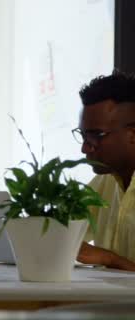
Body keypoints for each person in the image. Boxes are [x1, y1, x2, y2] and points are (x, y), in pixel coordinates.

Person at [74, 70, 135, 271]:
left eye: (96, 135)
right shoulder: (105, 180)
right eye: (83, 135)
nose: (85, 148)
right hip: (110, 300)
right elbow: (62, 228)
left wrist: (110, 259)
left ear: (132, 135)